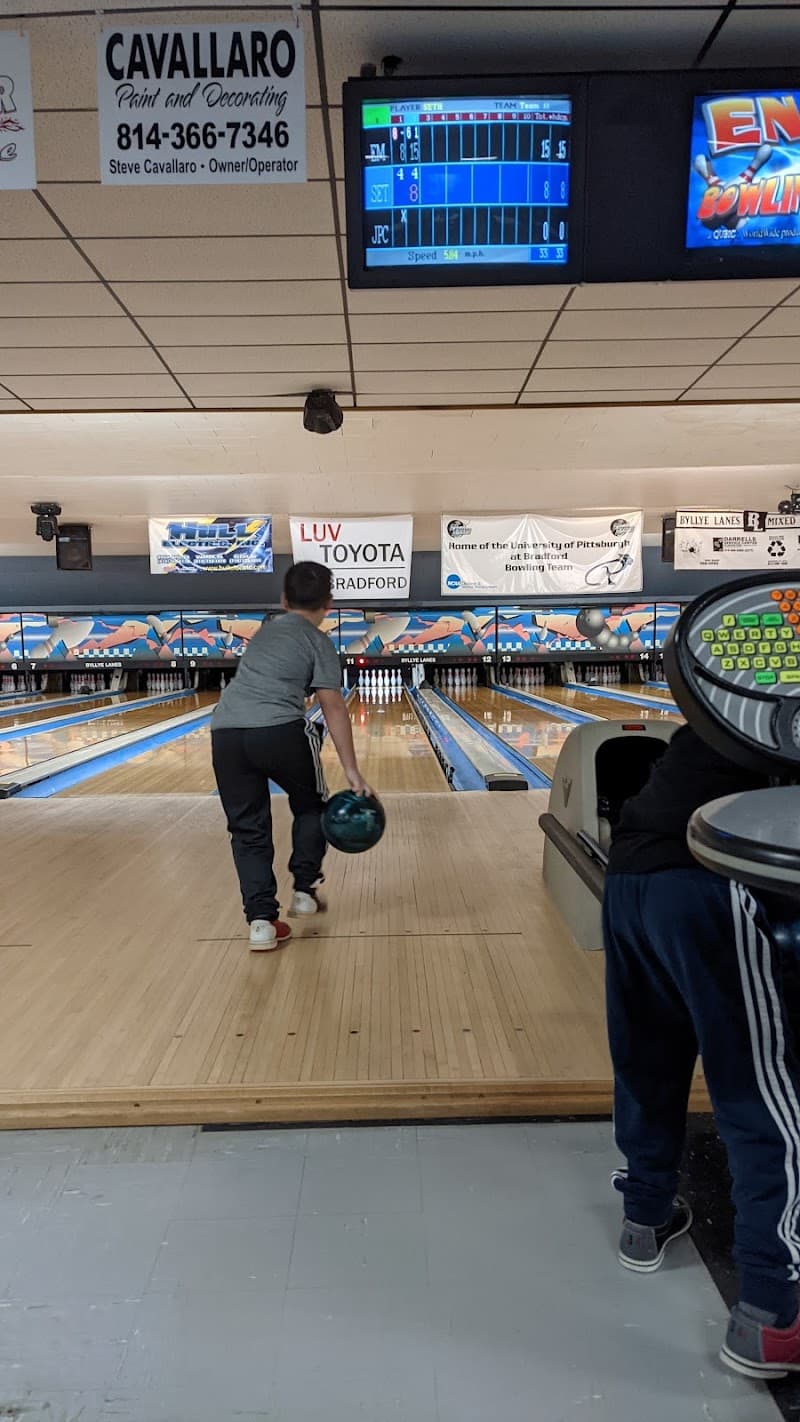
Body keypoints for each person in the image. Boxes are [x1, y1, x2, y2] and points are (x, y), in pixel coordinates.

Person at [603, 722, 800, 1379]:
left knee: (648, 1061)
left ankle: (645, 1216)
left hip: (632, 872)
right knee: (763, 1086)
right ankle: (774, 1312)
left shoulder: (745, 694)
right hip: (712, 877)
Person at [211, 562, 371, 952]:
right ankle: (304, 889)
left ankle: (261, 923)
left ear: (284, 600)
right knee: (312, 805)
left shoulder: (264, 634)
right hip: (280, 730)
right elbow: (333, 706)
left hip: (226, 733)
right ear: (329, 604)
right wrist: (352, 771)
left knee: (247, 829)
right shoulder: (319, 642)